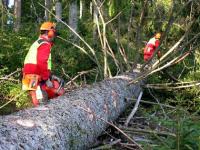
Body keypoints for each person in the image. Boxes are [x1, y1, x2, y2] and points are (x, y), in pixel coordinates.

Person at [22, 21, 64, 107]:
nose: (54, 37)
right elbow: (42, 62)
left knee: (35, 98)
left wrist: (50, 75)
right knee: (41, 101)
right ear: (50, 32)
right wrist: (46, 78)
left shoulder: (38, 42)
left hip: (29, 74)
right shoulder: (45, 44)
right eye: (54, 34)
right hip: (35, 75)